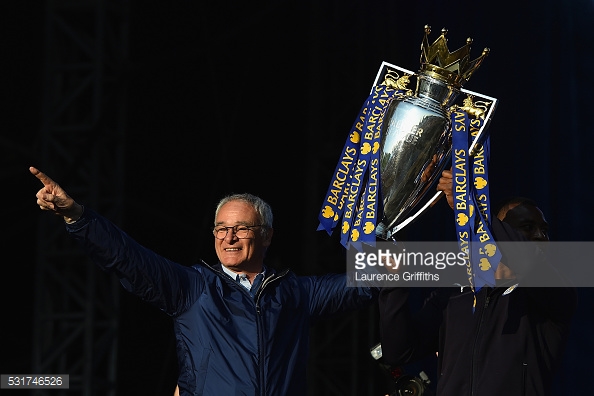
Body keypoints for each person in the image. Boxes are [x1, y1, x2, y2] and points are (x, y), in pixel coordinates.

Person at [30, 166, 380, 396]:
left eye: (241, 228)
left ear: (267, 236)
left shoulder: (295, 293)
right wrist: (76, 215)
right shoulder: (194, 289)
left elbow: (364, 282)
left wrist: (390, 243)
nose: (229, 238)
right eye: (221, 229)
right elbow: (129, 259)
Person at [377, 168, 578, 396]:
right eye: (527, 228)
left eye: (544, 230)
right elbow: (399, 352)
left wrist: (467, 204)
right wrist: (394, 279)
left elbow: (525, 259)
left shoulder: (554, 290)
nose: (540, 236)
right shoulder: (453, 296)